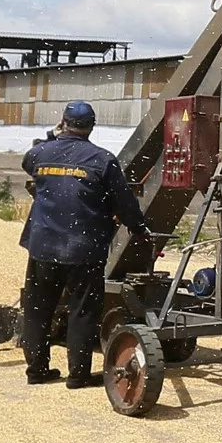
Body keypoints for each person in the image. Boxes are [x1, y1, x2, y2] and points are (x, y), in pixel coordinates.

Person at [19, 100, 154, 388]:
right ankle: (78, 375)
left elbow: (28, 161)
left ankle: (37, 370)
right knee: (82, 311)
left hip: (43, 246)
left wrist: (53, 137)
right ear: (92, 126)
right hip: (84, 248)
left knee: (38, 308)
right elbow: (124, 201)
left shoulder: (41, 153)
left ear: (63, 122)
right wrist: (139, 229)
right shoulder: (102, 159)